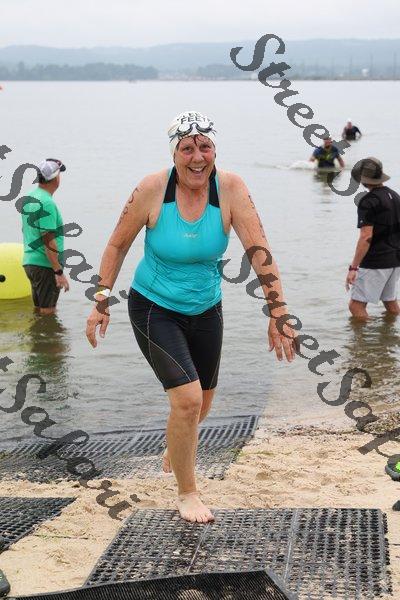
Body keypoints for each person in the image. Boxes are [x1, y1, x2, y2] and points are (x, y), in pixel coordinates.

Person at [86, 110, 296, 524]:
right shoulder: (151, 189)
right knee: (187, 400)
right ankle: (187, 493)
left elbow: (259, 250)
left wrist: (278, 310)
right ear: (174, 153)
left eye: (205, 147)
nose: (197, 157)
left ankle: (176, 444)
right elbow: (116, 245)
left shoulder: (231, 188)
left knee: (203, 402)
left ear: (214, 150)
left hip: (206, 308)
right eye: (187, 149)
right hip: (153, 306)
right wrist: (101, 299)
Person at [346, 157, 400, 319]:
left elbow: (366, 236)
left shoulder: (368, 201)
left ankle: (367, 337)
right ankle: (390, 333)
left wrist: (353, 268)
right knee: (390, 302)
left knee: (356, 306)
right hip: (395, 259)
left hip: (376, 261)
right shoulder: (395, 196)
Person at [22, 158, 69, 315]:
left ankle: (37, 332)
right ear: (55, 178)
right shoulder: (47, 203)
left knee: (38, 311)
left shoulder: (30, 197)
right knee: (48, 313)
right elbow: (48, 240)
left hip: (30, 263)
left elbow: (25, 230)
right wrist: (58, 272)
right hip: (45, 265)